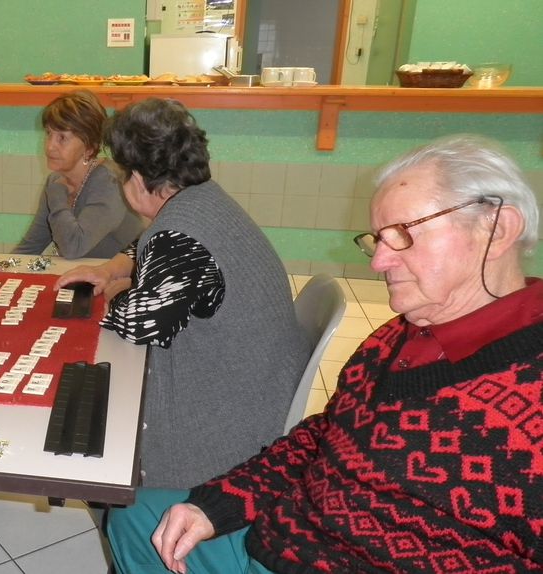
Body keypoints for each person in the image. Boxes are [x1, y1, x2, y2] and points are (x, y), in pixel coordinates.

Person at [107, 134, 543, 573]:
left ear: (497, 228)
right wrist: (221, 504)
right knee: (133, 517)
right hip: (284, 534)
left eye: (404, 236)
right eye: (378, 240)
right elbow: (322, 436)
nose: (379, 263)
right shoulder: (398, 336)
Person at [56, 98, 309, 489]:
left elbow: (137, 324)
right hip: (257, 390)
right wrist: (110, 269)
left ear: (137, 181)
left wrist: (119, 289)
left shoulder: (176, 234)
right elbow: (147, 247)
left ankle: (120, 500)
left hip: (228, 429)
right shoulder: (202, 198)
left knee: (95, 394)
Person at [13, 90, 143, 259]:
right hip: (86, 277)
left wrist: (58, 197)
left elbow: (73, 248)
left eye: (62, 138)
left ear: (90, 146)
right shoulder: (55, 180)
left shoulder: (109, 182)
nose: (50, 146)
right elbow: (31, 247)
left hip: (124, 281)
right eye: (48, 133)